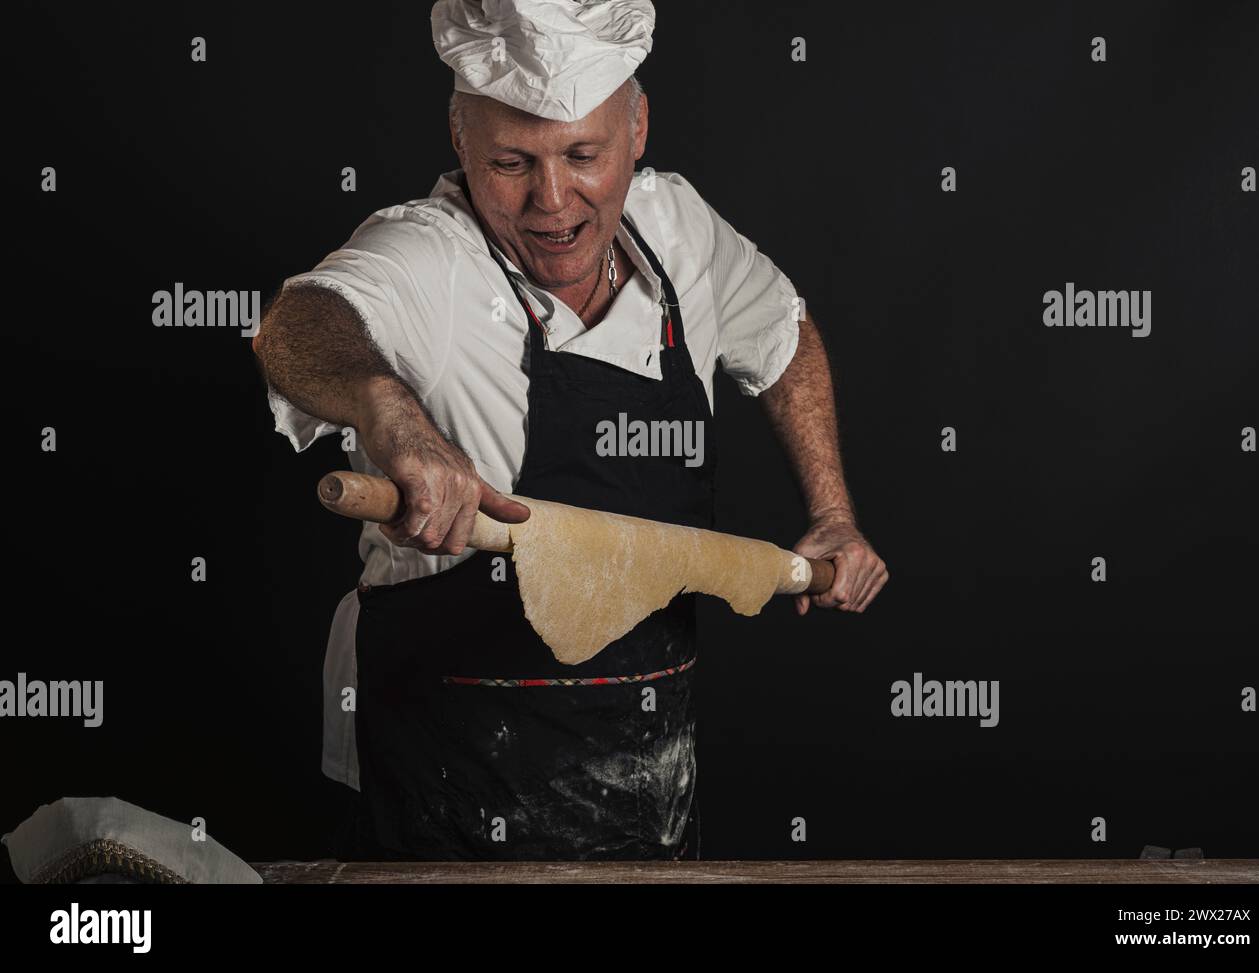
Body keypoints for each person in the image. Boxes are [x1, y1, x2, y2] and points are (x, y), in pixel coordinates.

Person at [253, 0, 887, 861]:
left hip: (648, 779)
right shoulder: (431, 260)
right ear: (458, 136)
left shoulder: (680, 235)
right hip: (447, 780)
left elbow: (784, 332)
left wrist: (833, 510)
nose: (551, 201)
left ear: (638, 127)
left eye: (583, 156)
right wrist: (388, 409)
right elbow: (297, 322)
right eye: (511, 161)